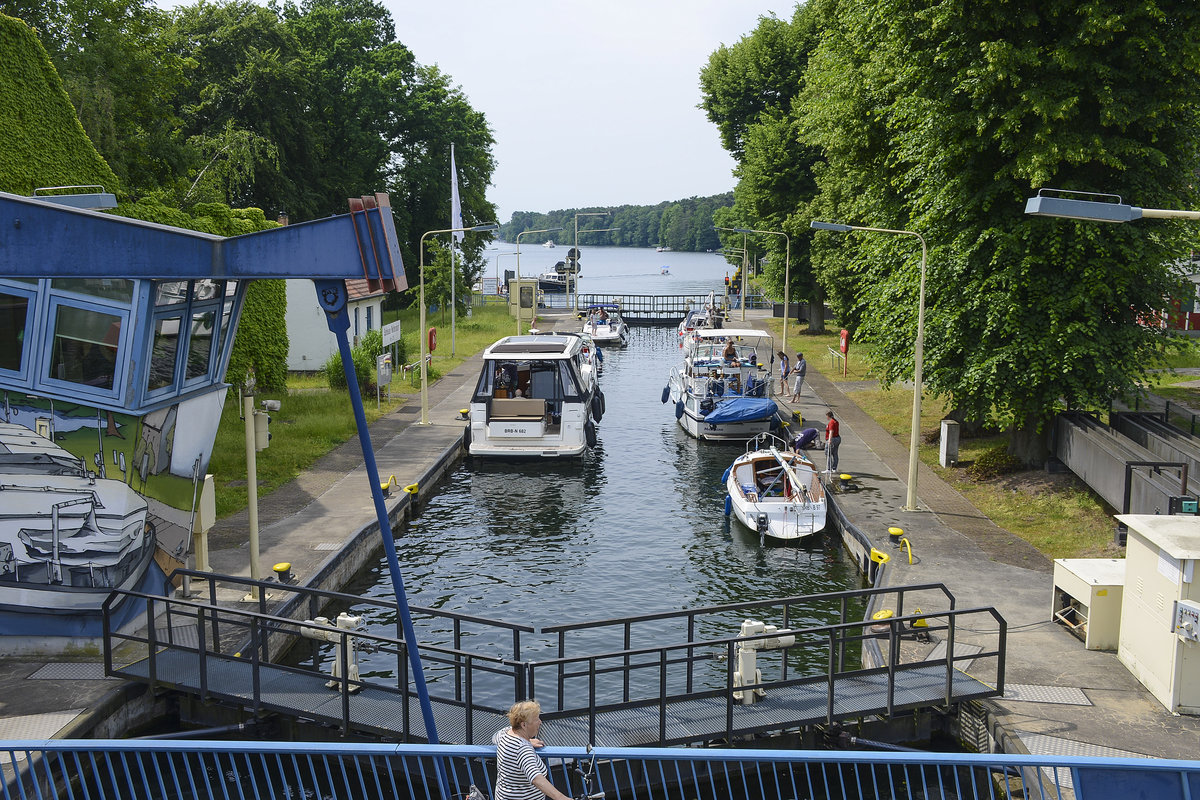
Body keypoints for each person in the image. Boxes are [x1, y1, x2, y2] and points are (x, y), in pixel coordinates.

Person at [493, 701, 572, 800]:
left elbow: (494, 737)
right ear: (524, 725)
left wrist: (528, 741)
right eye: (536, 719)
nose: (540, 722)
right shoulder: (523, 749)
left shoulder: (504, 735)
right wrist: (561, 798)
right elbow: (535, 778)